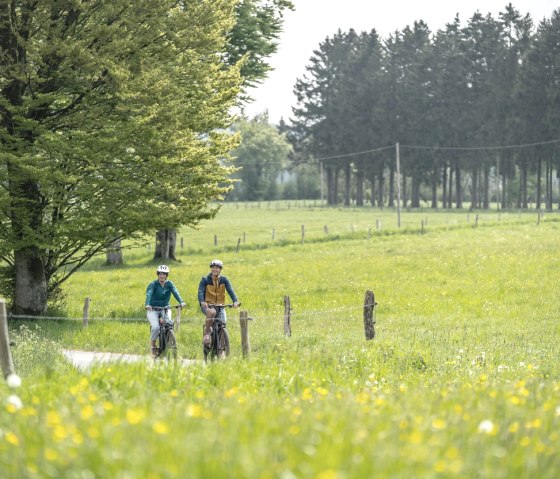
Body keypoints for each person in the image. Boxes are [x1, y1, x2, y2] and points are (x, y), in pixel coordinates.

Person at [145, 264, 186, 358]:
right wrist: (148, 304)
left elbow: (175, 292)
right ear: (157, 274)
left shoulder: (169, 284)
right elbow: (149, 294)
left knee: (168, 324)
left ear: (166, 275)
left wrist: (181, 301)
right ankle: (153, 346)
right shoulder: (153, 284)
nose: (162, 276)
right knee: (155, 327)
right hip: (153, 309)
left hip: (165, 308)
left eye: (164, 274)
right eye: (160, 274)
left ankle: (168, 342)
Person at [198, 259, 240, 346]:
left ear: (220, 269)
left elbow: (230, 291)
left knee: (223, 324)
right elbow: (201, 291)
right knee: (212, 312)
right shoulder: (205, 280)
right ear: (211, 269)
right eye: (213, 267)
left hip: (220, 306)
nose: (214, 269)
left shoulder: (224, 280)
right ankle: (207, 333)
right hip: (208, 305)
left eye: (217, 268)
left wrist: (235, 301)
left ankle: (221, 350)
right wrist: (202, 301)